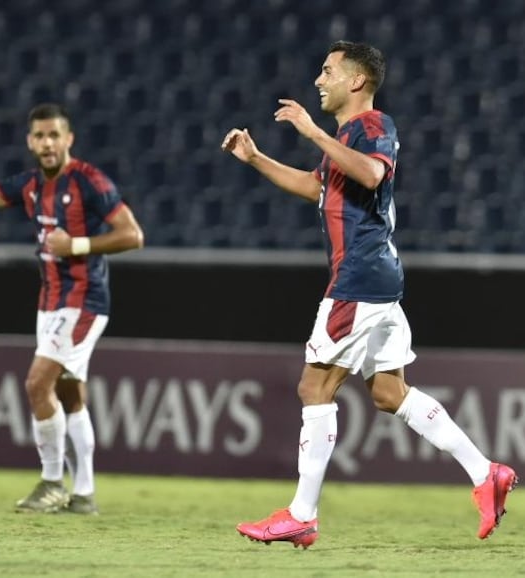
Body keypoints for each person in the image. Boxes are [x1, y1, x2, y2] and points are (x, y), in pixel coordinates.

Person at [221, 40, 517, 548]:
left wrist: (312, 132)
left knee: (314, 389)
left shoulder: (373, 127)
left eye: (328, 71)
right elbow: (317, 185)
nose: (319, 80)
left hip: (359, 278)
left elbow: (373, 172)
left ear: (356, 81)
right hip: (380, 279)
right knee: (387, 393)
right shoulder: (349, 135)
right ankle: (485, 472)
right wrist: (256, 159)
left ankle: (302, 515)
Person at [0, 103, 144, 514]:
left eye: (54, 135)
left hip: (84, 299)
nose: (47, 143)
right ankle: (84, 493)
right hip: (50, 300)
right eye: (39, 136)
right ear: (30, 141)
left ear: (68, 139)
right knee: (70, 394)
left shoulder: (89, 181)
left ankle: (53, 482)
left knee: (38, 384)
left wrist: (77, 245)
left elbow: (132, 234)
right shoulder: (31, 185)